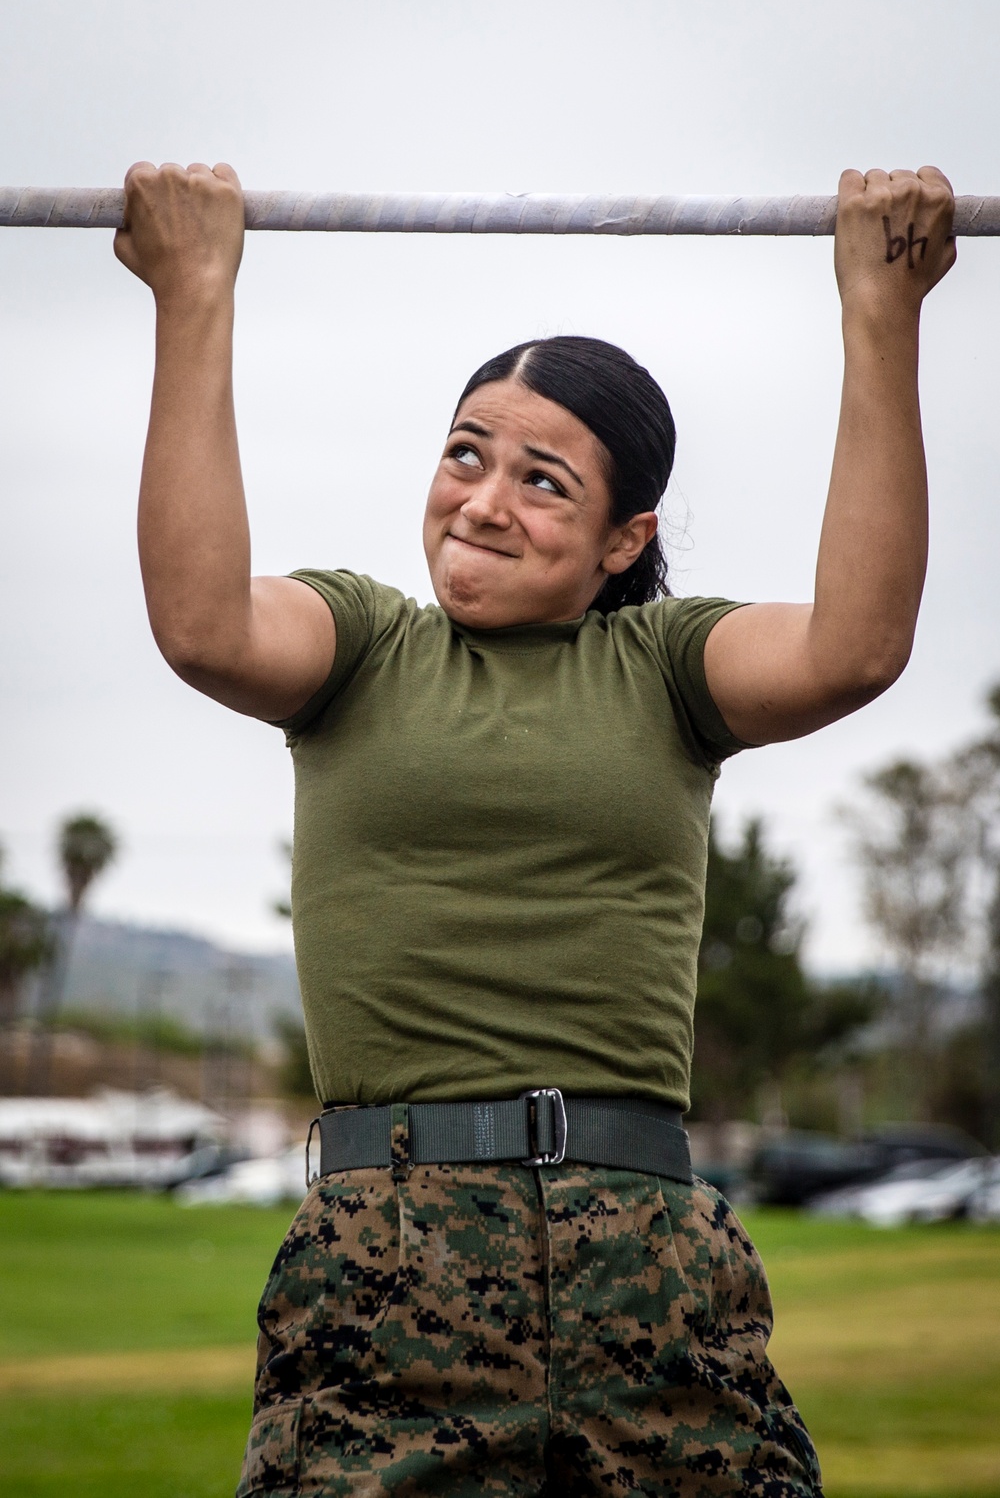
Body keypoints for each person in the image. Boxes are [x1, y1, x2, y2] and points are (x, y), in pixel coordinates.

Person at [114, 161, 955, 1497]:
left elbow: (855, 647)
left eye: (544, 480)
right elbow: (204, 623)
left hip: (647, 1263)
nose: (484, 502)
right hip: (390, 1265)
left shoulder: (667, 668)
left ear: (626, 539)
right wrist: (193, 290)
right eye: (466, 454)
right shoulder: (363, 646)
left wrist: (882, 312)